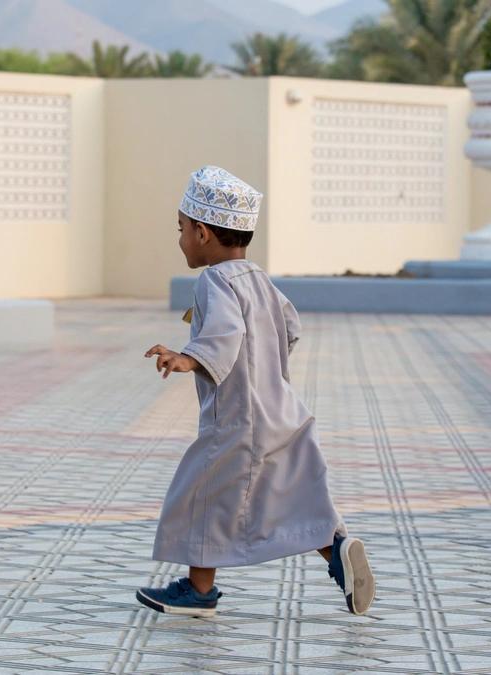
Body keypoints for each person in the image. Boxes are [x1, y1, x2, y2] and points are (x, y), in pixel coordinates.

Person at [137, 166, 375, 619]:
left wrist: (189, 357)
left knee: (201, 494)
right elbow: (290, 329)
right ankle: (336, 550)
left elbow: (224, 335)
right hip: (280, 410)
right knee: (282, 495)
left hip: (239, 421)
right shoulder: (259, 279)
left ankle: (198, 591)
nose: (181, 237)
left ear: (203, 233)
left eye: (182, 228)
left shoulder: (214, 281)